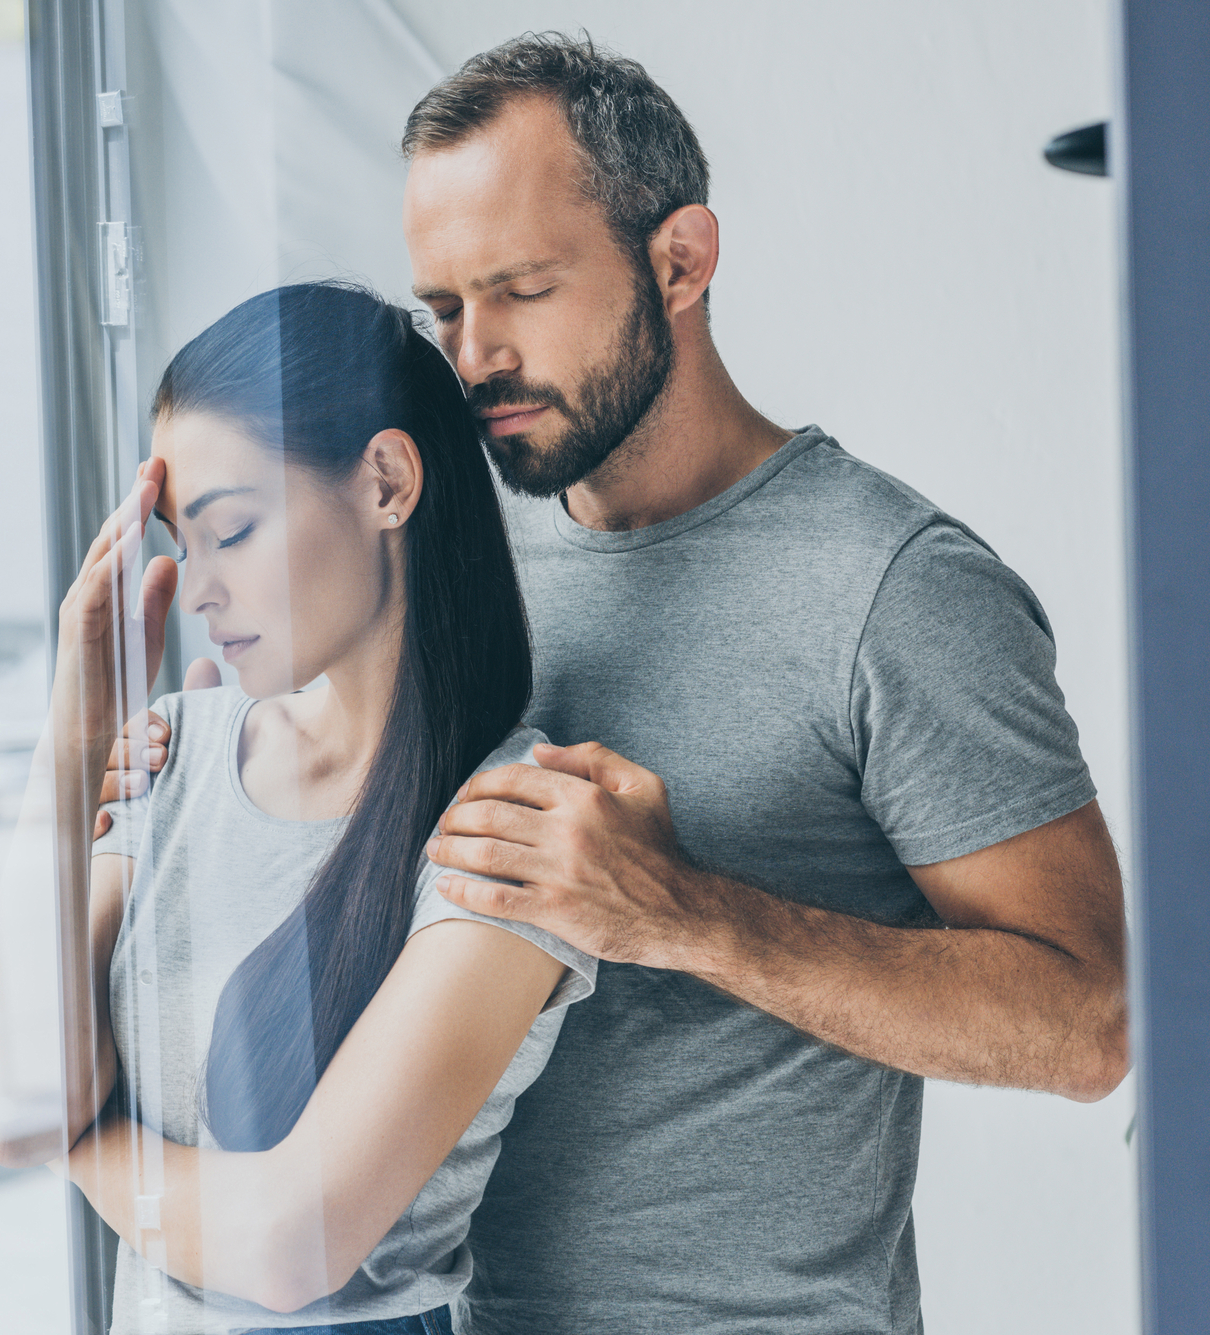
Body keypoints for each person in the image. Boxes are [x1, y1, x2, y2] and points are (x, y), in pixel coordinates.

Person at [101, 33, 1128, 1335]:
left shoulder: (896, 589)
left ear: (681, 261)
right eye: (444, 309)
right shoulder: (452, 542)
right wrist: (190, 755)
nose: (472, 357)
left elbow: (1091, 1020)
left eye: (520, 290)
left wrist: (693, 912)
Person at [0, 282, 598, 1335]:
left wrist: (78, 1137)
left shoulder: (513, 824)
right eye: (184, 540)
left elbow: (287, 1248)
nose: (200, 585)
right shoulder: (175, 753)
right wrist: (70, 738)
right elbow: (14, 1097)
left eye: (233, 530)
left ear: (385, 482)